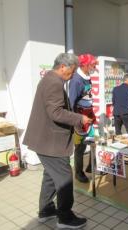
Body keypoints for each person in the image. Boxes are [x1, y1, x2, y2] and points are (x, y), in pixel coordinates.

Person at [23, 53, 92, 229]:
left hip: (44, 140)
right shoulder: (54, 82)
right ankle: (65, 217)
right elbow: (56, 113)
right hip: (51, 142)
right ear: (63, 66)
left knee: (50, 176)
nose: (73, 74)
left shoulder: (49, 79)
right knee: (65, 178)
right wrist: (79, 119)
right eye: (72, 70)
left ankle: (46, 210)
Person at [69, 54, 97, 183]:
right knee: (80, 147)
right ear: (85, 65)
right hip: (80, 117)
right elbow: (71, 102)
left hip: (89, 115)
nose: (94, 67)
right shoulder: (76, 80)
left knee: (92, 142)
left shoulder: (87, 77)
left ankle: (91, 166)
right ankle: (78, 173)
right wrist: (76, 120)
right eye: (93, 64)